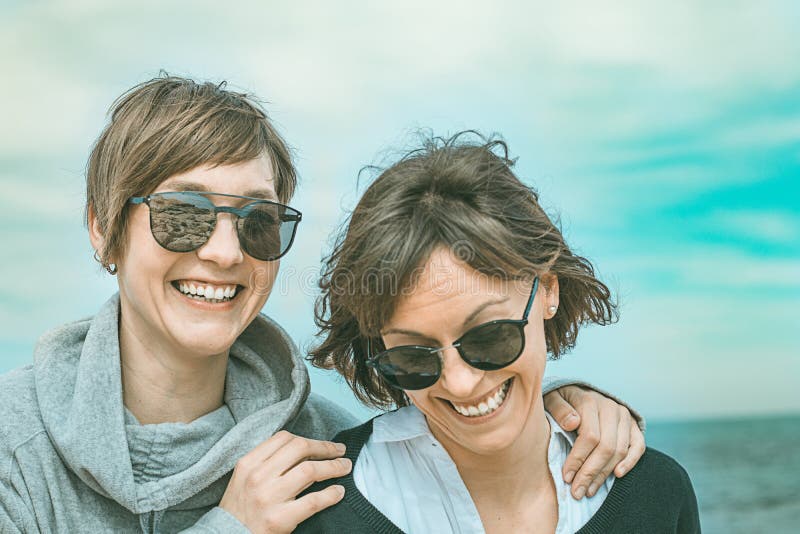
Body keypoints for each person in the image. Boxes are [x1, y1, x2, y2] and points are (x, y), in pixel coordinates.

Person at [0, 77, 644, 534]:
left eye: (257, 221)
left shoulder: (329, 452)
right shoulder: (11, 448)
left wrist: (567, 408)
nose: (226, 252)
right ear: (101, 228)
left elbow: (465, 398)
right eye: (184, 216)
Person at [299, 132, 700, 533]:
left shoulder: (656, 495)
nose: (460, 383)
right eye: (414, 357)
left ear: (547, 288)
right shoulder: (319, 511)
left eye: (488, 338)